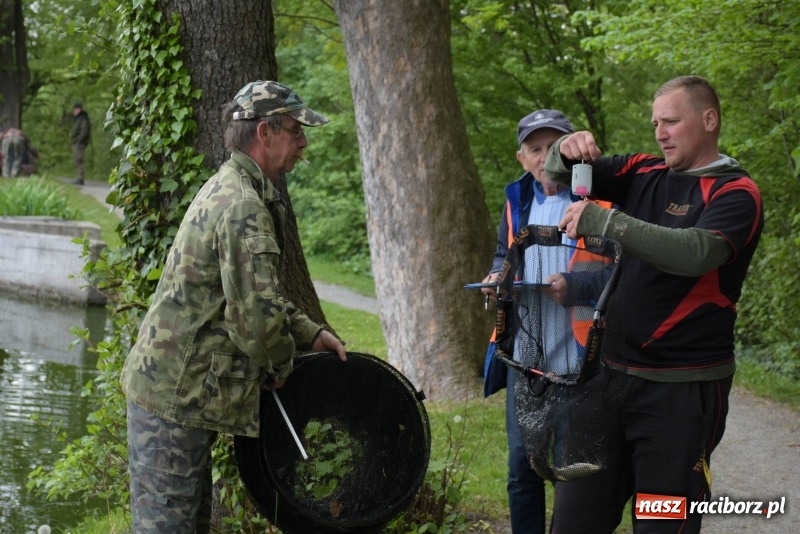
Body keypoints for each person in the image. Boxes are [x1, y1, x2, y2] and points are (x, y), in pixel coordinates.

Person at [121, 80, 347, 534]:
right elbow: (257, 322)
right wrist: (282, 364)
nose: (303, 143)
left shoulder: (236, 187)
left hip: (177, 397)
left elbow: (251, 295)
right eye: (296, 131)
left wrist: (307, 332)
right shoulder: (243, 205)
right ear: (265, 133)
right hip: (173, 399)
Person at [543, 75, 764, 533]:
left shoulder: (736, 192)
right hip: (605, 381)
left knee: (664, 523)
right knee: (573, 520)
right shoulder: (643, 171)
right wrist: (566, 147)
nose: (659, 132)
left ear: (709, 120)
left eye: (671, 121)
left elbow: (695, 253)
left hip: (681, 393)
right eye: (655, 122)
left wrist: (609, 221)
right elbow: (558, 172)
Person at [480, 109, 583, 534]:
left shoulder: (593, 197)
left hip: (579, 355)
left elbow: (619, 269)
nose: (545, 157)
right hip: (525, 353)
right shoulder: (517, 198)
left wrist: (575, 287)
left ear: (572, 152)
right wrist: (495, 277)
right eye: (535, 149)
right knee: (522, 468)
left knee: (570, 470)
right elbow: (506, 255)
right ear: (521, 157)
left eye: (554, 147)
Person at [70, 103, 91, 185]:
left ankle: (80, 178)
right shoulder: (79, 118)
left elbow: (84, 131)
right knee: (76, 159)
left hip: (79, 143)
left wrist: (78, 140)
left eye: (75, 110)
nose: (73, 112)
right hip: (77, 142)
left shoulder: (83, 118)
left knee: (79, 159)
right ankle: (79, 177)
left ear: (79, 109)